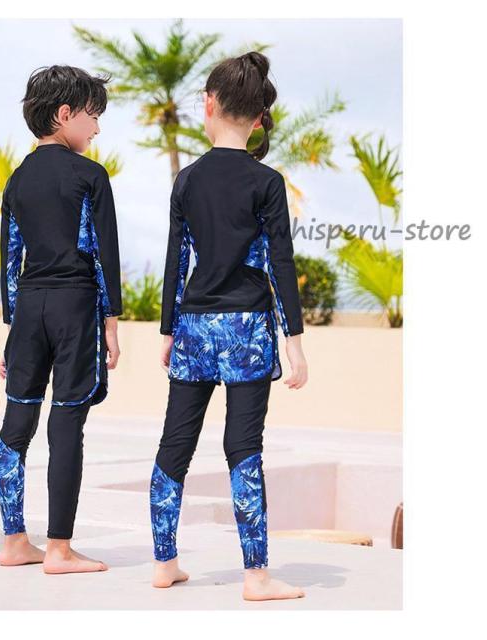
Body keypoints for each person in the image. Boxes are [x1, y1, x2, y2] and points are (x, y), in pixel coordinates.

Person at [150, 52, 308, 601]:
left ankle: (164, 563)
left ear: (209, 105)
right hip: (247, 332)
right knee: (243, 447)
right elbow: (280, 263)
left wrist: (168, 329)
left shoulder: (187, 180)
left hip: (194, 327)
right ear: (259, 117)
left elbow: (176, 261)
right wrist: (294, 343)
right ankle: (256, 576)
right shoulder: (267, 182)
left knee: (175, 443)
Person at [0, 65, 122, 574]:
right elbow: (103, 254)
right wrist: (111, 322)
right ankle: (59, 549)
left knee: (17, 422)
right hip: (75, 306)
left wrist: (12, 330)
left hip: (29, 308)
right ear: (65, 114)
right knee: (67, 422)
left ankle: (13, 541)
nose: (97, 127)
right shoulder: (90, 176)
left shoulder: (17, 179)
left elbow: (10, 260)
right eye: (93, 116)